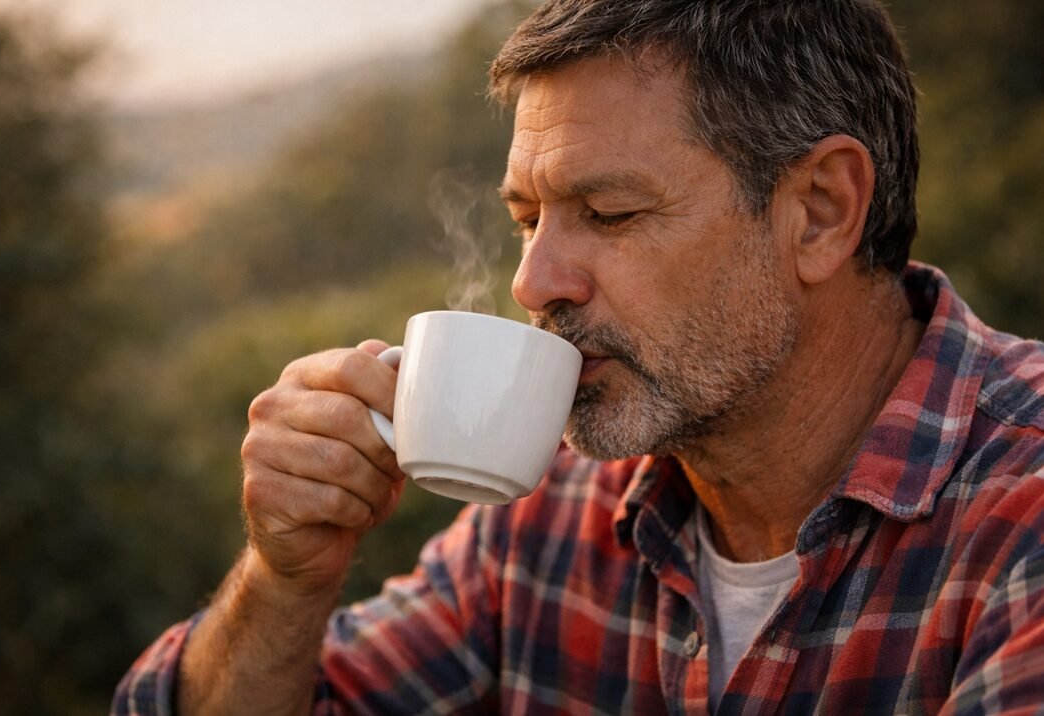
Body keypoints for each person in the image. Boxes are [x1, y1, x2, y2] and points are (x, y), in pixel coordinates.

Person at [114, 1, 1044, 713]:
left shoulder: (1022, 512)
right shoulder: (550, 519)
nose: (534, 281)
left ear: (820, 211)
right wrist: (286, 580)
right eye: (525, 221)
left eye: (610, 215)